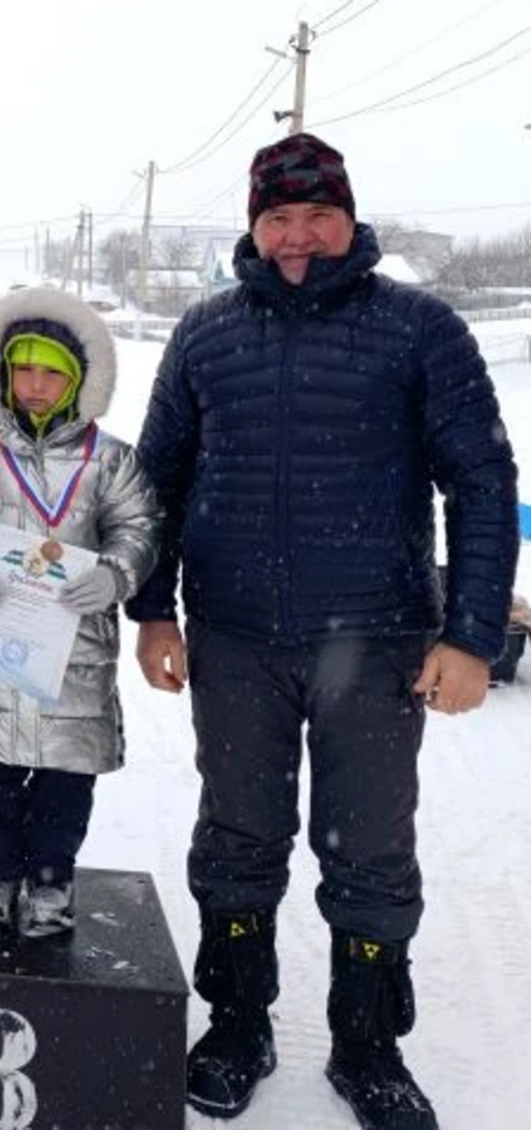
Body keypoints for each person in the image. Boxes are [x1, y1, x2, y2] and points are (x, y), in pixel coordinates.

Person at [125, 132, 520, 1129]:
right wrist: (151, 609)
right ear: (252, 226)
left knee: (370, 850)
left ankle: (367, 1043)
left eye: (316, 216)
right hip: (236, 641)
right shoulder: (206, 334)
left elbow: (481, 480)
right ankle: (237, 1019)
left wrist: (471, 633)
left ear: (349, 218)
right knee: (237, 836)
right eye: (277, 218)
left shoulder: (418, 328)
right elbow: (157, 480)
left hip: (378, 639)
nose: (297, 237)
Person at [0, 288, 159, 937]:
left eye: (52, 370)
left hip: (74, 654)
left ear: (79, 378)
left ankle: (51, 883)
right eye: (23, 368)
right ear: (2, 373)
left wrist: (114, 574)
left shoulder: (111, 460)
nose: (35, 383)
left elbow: (138, 528)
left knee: (63, 783)